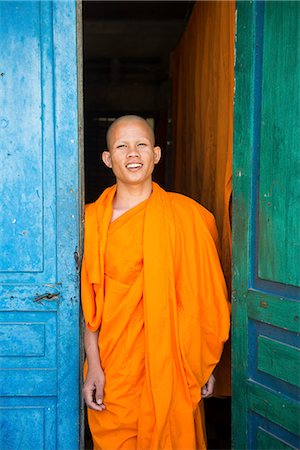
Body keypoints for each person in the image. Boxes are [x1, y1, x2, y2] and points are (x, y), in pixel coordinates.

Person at [81, 115, 230, 450]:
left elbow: (204, 301)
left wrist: (202, 364)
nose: (133, 153)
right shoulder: (91, 221)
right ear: (108, 158)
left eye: (142, 145)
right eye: (122, 146)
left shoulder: (189, 217)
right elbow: (88, 303)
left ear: (157, 154)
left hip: (175, 368)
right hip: (115, 370)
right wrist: (92, 366)